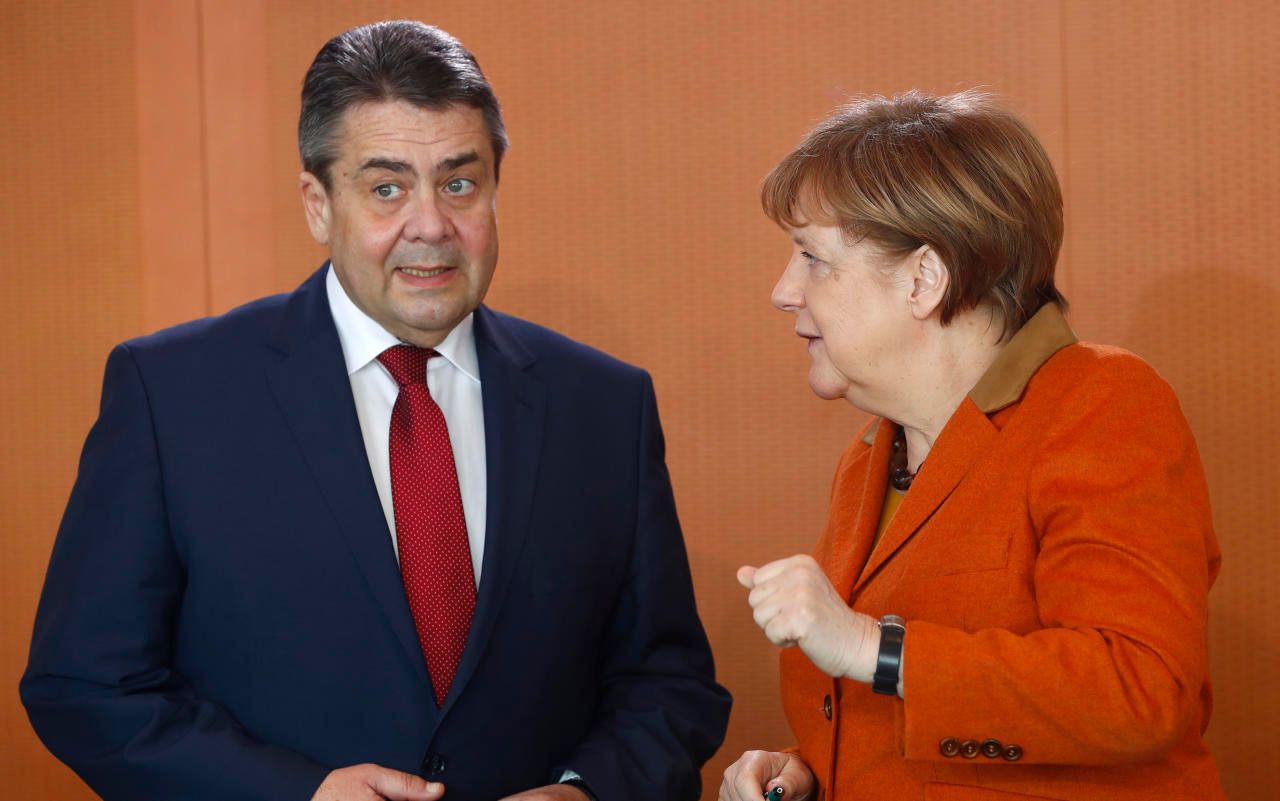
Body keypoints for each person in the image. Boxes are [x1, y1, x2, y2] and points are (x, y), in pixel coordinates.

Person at [22, 20, 729, 801]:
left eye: (459, 184)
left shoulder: (604, 406)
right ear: (318, 205)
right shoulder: (172, 395)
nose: (430, 224)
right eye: (387, 188)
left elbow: (669, 686)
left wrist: (583, 791)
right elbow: (85, 685)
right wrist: (297, 793)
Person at [720, 91, 1225, 801]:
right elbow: (922, 718)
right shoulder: (872, 454)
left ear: (924, 279)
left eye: (813, 258)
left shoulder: (1102, 403)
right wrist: (809, 769)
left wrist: (870, 646)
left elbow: (1140, 685)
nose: (783, 291)